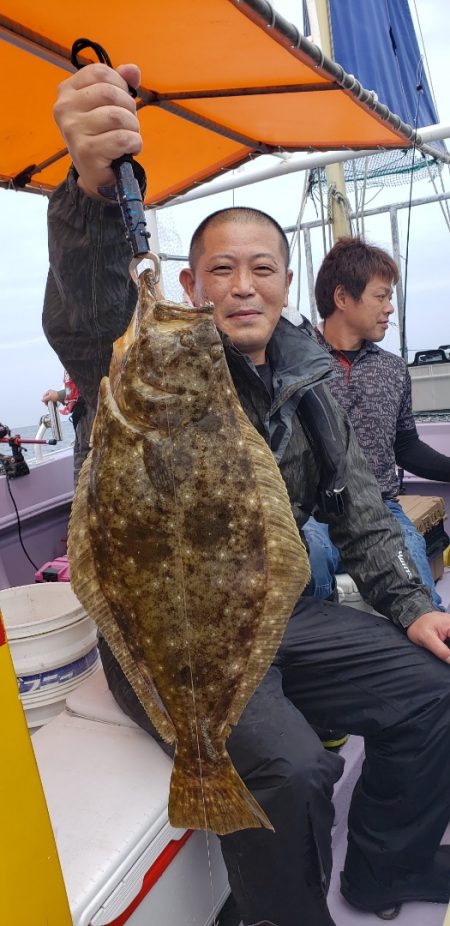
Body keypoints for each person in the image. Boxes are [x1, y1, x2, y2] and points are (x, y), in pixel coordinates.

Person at [42, 62, 450, 926]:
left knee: (433, 686)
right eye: (219, 269)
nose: (241, 284)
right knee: (297, 770)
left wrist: (412, 603)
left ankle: (384, 869)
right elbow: (89, 320)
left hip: (276, 613)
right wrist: (88, 189)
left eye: (261, 267)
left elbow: (361, 503)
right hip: (168, 635)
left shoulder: (308, 379)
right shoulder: (146, 367)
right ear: (189, 288)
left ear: (287, 282)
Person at [303, 236, 450, 610]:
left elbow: (405, 446)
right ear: (342, 298)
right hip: (310, 514)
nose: (389, 309)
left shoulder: (394, 369)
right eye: (381, 297)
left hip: (381, 510)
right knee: (308, 568)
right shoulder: (294, 364)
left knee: (419, 588)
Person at [42, 370, 92, 485]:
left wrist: (59, 395)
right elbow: (77, 390)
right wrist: (59, 396)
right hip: (83, 426)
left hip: (92, 428)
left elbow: (93, 388)